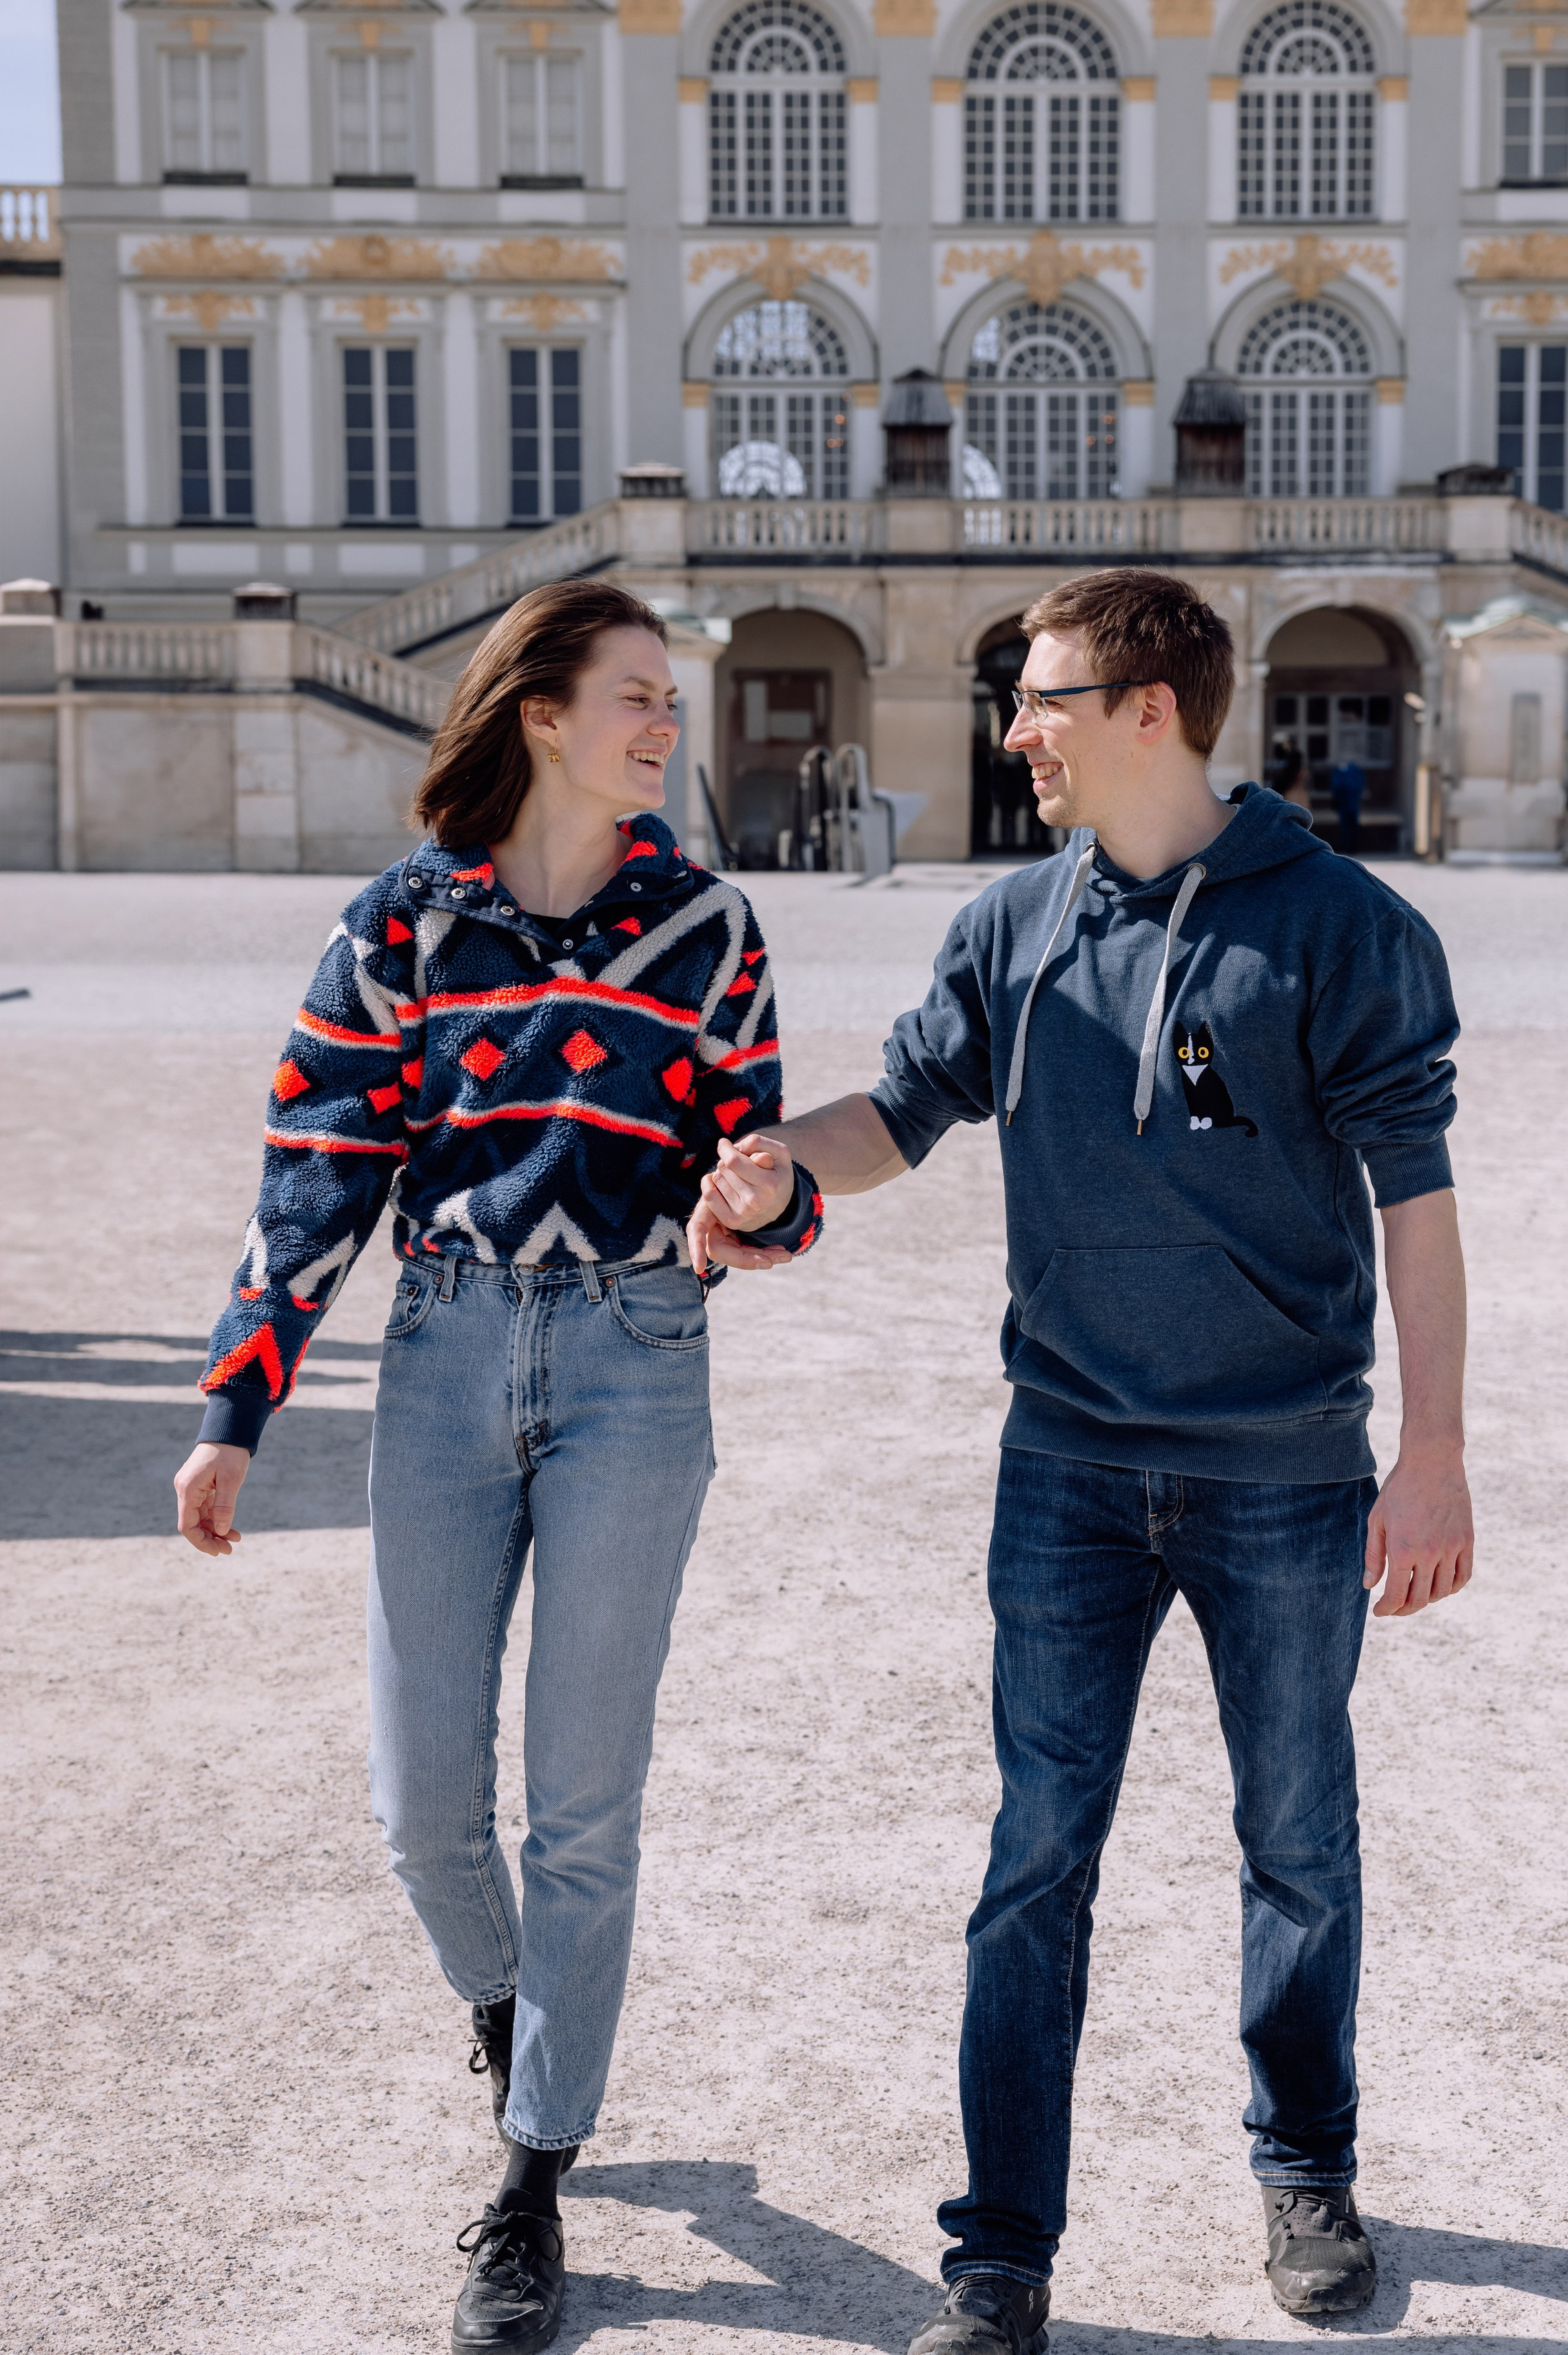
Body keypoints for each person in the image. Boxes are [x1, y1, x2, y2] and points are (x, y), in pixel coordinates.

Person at [691, 567, 1471, 2341]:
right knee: (1033, 1856)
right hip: (1063, 1466)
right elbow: (902, 1111)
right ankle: (1000, 2252)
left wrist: (1429, 1452)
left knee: (1296, 1838)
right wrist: (780, 1162)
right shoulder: (1009, 922)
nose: (1011, 731)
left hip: (1282, 1470)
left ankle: (1304, 2166)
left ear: (1145, 710)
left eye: (1038, 698)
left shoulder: (1342, 929)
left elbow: (1414, 1207)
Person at [172, 580, 819, 2355]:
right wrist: (235, 1406)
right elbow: (313, 1169)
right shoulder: (401, 925)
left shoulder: (706, 926)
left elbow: (758, 1171)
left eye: (669, 699)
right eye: (635, 694)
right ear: (540, 709)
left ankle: (532, 2172)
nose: (664, 723)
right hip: (444, 1349)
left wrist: (764, 1196)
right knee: (419, 1806)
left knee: (581, 1810)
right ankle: (511, 2007)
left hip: (636, 1359)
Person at [1330, 754, 1365, 857]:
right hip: (1350, 804)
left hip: (1347, 804)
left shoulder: (1340, 773)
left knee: (1347, 826)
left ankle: (1348, 847)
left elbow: (1335, 787)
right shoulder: (1355, 772)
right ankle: (1351, 847)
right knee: (1350, 826)